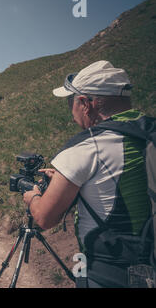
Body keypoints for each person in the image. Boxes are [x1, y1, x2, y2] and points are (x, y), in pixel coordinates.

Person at [22, 60, 154, 288]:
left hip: (109, 270)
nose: (70, 110)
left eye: (70, 102)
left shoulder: (86, 147)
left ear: (85, 103)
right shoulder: (149, 132)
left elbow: (45, 218)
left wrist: (32, 196)